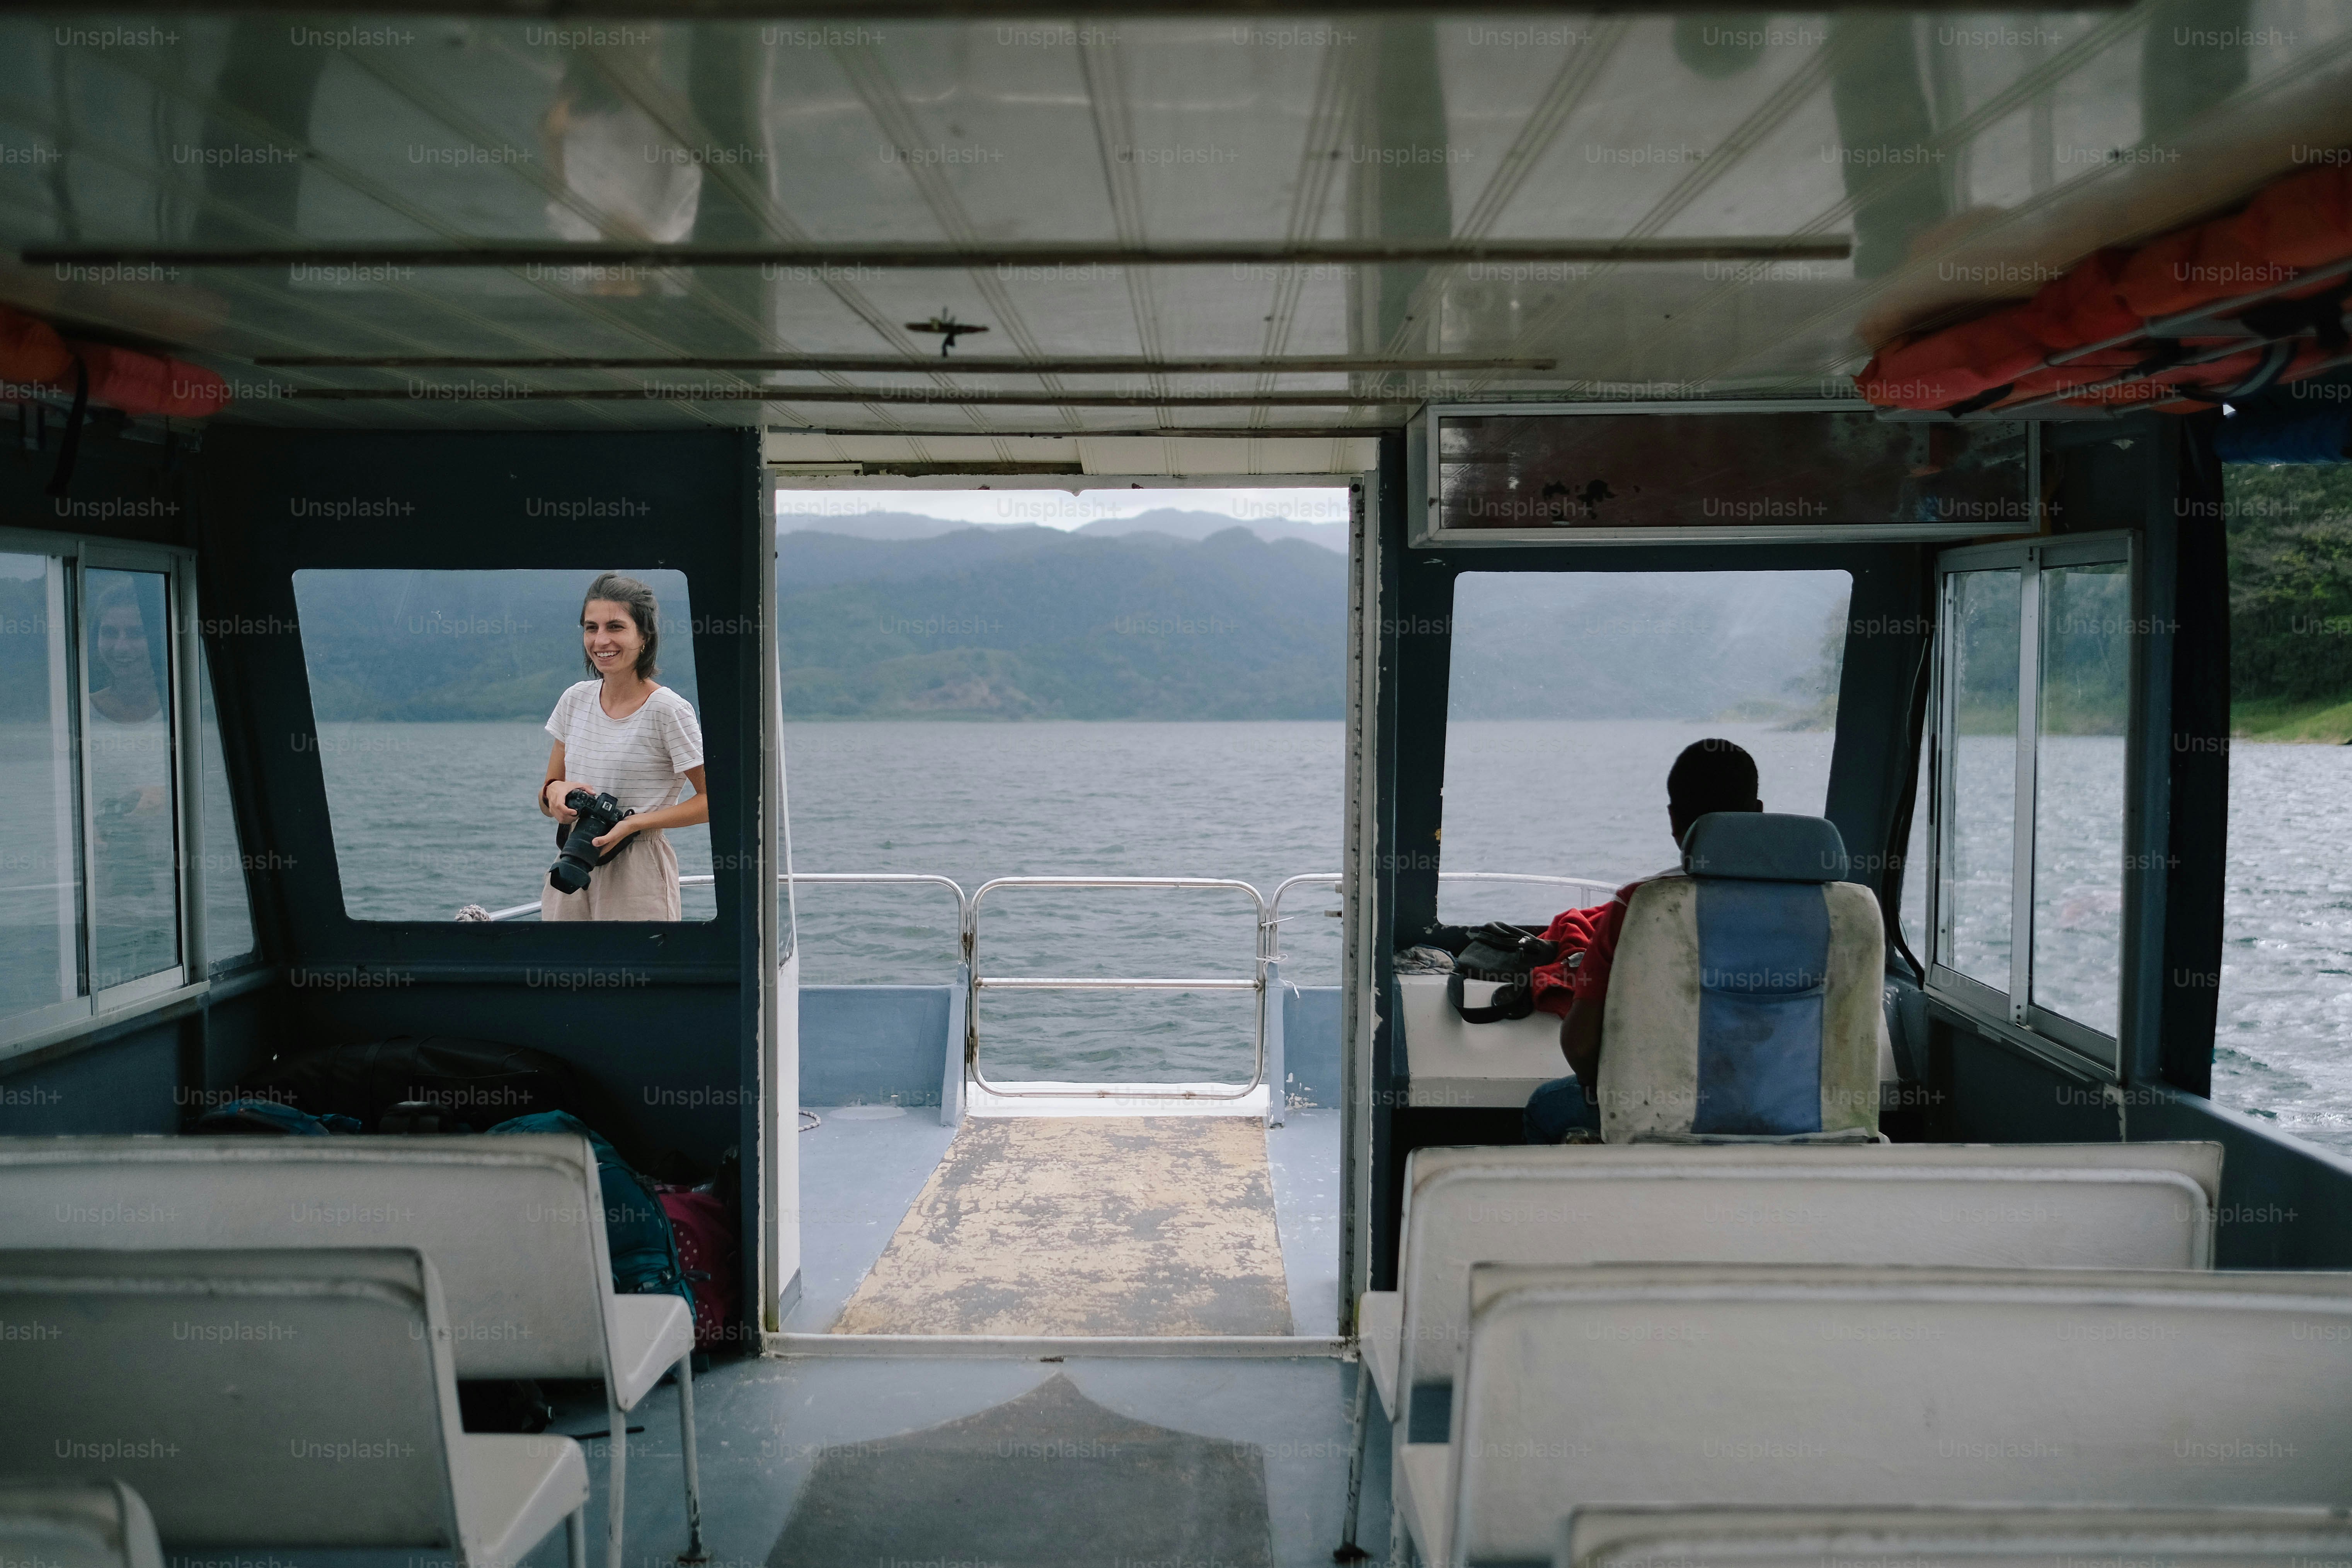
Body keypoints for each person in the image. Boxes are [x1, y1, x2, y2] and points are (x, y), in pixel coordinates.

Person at [1522, 738, 1764, 1144]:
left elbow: (1581, 1047)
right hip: (1802, 1117)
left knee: (1545, 1109)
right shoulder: (1842, 907)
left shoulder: (1640, 904)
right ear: (1758, 814)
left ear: (1673, 820)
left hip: (1666, 1116)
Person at [536, 572, 707, 921]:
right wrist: (555, 796)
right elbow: (547, 793)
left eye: (615, 627)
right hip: (572, 857)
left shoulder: (668, 710)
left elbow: (715, 800)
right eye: (591, 627)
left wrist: (634, 823)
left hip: (638, 866)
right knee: (565, 973)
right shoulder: (574, 699)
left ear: (644, 636)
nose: (601, 640)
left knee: (638, 974)